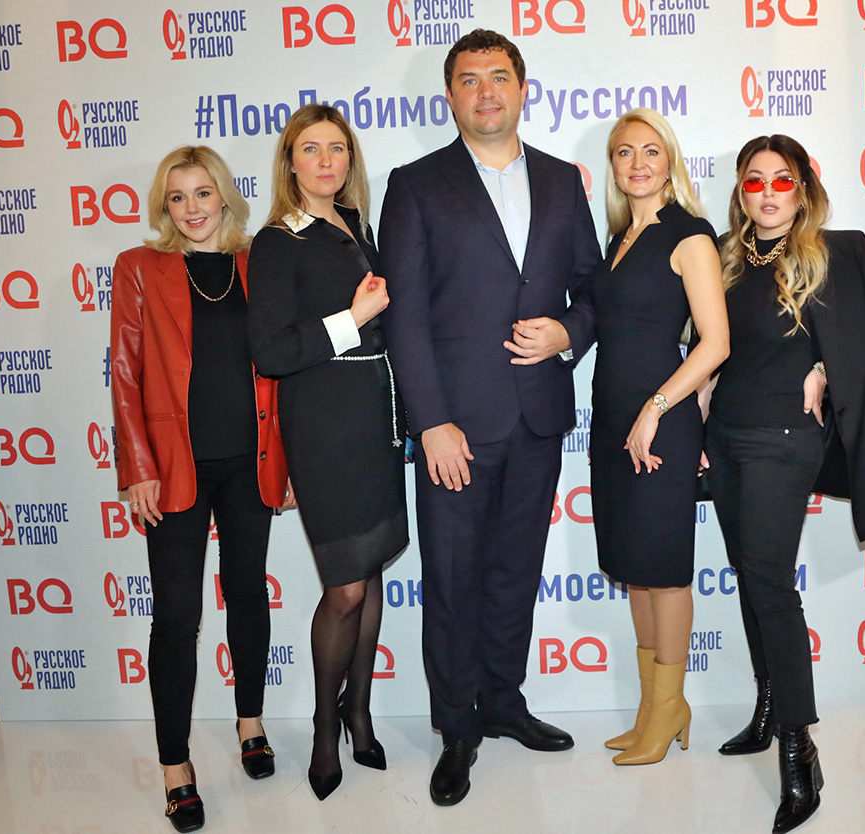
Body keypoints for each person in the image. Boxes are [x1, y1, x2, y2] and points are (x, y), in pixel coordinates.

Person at [379, 28, 600, 807]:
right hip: (456, 430)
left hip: (537, 418)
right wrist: (430, 422)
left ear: (522, 88)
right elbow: (404, 317)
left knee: (515, 574)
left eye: (498, 76)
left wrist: (569, 333)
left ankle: (503, 704)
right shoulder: (415, 184)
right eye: (469, 79)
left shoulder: (563, 181)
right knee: (451, 582)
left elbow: (592, 288)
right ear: (450, 96)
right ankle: (456, 730)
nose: (486, 92)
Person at [704, 134, 865, 833]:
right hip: (726, 438)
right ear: (741, 191)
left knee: (770, 583)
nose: (768, 192)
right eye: (754, 181)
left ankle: (797, 749)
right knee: (751, 578)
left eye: (782, 179)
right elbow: (711, 349)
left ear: (803, 189)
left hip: (785, 440)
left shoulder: (837, 252)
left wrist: (827, 369)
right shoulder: (724, 256)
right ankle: (766, 706)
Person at [111, 146, 290, 833]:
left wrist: (289, 460)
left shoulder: (256, 264)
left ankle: (251, 723)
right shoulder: (140, 267)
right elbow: (126, 372)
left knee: (247, 593)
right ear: (165, 206)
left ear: (224, 196)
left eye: (202, 192)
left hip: (250, 462)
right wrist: (137, 466)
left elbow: (281, 367)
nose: (191, 208)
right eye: (177, 196)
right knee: (176, 617)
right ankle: (175, 767)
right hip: (171, 468)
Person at [247, 104, 408, 803]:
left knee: (370, 573)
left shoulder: (355, 225)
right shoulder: (276, 240)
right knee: (344, 587)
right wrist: (354, 317)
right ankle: (322, 727)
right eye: (310, 149)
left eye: (337, 148)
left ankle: (359, 713)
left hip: (375, 418)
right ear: (290, 160)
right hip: (323, 425)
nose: (325, 161)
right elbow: (273, 351)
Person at [590, 109, 729, 765]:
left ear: (669, 160)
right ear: (614, 166)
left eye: (651, 150)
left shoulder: (689, 235)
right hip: (613, 420)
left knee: (665, 573)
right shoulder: (619, 238)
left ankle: (671, 705)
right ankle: (653, 708)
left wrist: (657, 408)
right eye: (625, 152)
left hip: (659, 422)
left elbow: (715, 342)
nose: (638, 163)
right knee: (636, 571)